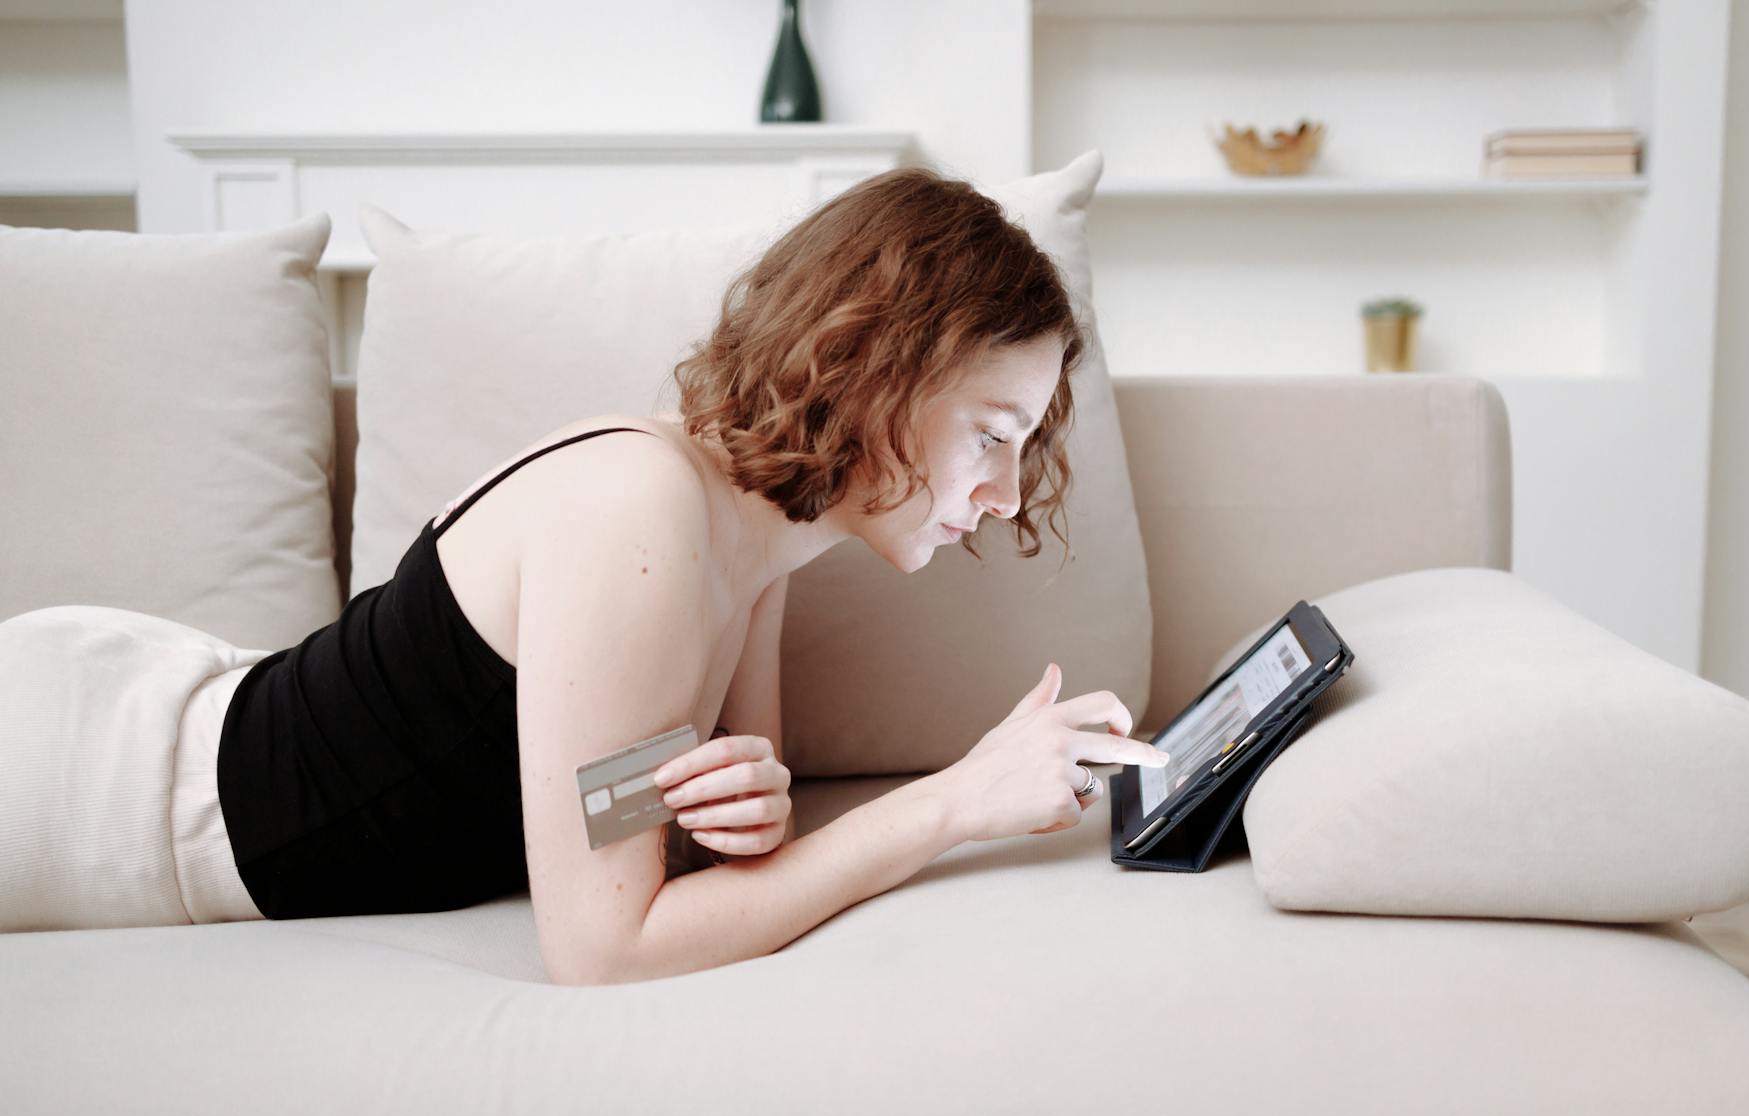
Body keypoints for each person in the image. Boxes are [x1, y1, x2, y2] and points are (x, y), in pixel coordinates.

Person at [0, 164, 1171, 983]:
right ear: (883, 371)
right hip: (101, 777)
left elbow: (690, 844)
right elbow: (608, 948)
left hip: (167, 713)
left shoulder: (762, 540)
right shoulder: (642, 513)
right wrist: (957, 801)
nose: (1010, 493)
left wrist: (735, 807)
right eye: (992, 432)